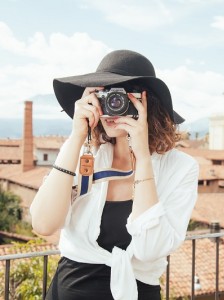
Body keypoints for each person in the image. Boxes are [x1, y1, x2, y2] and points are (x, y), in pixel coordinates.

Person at [30, 49, 199, 300]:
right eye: (102, 95)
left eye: (119, 96)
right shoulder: (84, 152)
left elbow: (150, 249)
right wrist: (77, 136)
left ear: (146, 102)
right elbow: (43, 224)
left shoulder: (181, 168)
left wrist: (142, 156)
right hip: (69, 289)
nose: (111, 106)